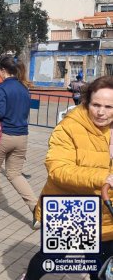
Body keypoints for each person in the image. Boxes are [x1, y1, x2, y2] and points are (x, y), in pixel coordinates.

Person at [21, 75, 113, 280]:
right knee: (51, 258)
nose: (101, 112)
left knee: (101, 266)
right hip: (72, 205)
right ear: (86, 101)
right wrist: (103, 177)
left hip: (108, 211)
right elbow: (58, 169)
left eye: (109, 107)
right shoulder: (69, 127)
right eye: (96, 104)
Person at [0, 56, 38, 221]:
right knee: (15, 174)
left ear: (3, 70)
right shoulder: (24, 88)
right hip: (22, 136)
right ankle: (37, 210)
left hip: (3, 136)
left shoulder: (2, 87)